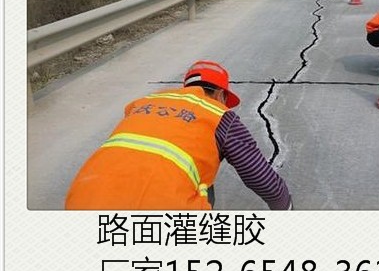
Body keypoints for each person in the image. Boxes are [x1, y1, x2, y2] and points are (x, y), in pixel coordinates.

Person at [65, 60, 293, 210]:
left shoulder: (143, 103)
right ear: (221, 95)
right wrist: (287, 209)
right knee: (203, 185)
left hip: (80, 203)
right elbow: (261, 178)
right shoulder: (218, 114)